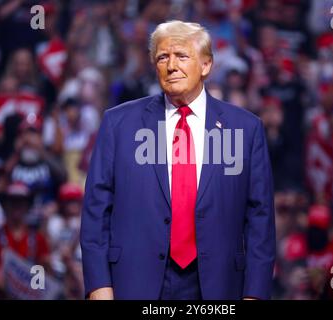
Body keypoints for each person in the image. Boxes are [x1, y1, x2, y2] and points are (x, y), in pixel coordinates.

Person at [80, 20, 276, 300]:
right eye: (162, 57)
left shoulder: (245, 129)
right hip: (135, 283)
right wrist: (99, 288)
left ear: (206, 65)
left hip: (218, 286)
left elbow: (260, 220)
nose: (171, 66)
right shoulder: (119, 124)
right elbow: (96, 212)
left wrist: (255, 294)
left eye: (182, 56)